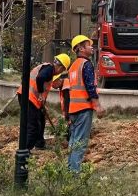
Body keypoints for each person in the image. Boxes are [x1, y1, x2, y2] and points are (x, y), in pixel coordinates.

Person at [53, 34, 104, 171]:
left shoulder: (73, 66)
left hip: (73, 110)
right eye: (88, 45)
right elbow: (90, 87)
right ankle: (74, 175)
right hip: (83, 109)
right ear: (81, 48)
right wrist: (97, 106)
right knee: (80, 143)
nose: (91, 46)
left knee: (73, 142)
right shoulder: (86, 65)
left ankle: (69, 171)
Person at [16, 53, 71, 150]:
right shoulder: (49, 69)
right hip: (28, 98)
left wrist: (42, 105)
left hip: (30, 98)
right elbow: (40, 78)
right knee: (33, 126)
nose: (61, 72)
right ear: (61, 68)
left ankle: (39, 143)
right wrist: (41, 93)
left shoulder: (48, 69)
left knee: (41, 119)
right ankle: (25, 151)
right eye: (62, 70)